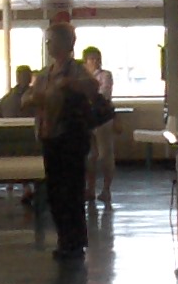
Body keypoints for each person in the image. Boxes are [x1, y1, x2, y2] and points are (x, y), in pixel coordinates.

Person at [28, 24, 97, 259]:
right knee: (56, 192)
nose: (49, 45)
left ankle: (74, 241)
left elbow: (93, 88)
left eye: (52, 41)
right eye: (47, 41)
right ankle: (64, 238)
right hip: (50, 138)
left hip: (71, 138)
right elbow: (29, 97)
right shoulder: (45, 74)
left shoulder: (76, 70)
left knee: (71, 191)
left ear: (67, 44)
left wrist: (70, 84)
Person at [81, 44, 117, 208]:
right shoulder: (81, 77)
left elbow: (103, 94)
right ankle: (90, 189)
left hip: (102, 118)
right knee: (90, 155)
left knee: (105, 154)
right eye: (91, 59)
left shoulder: (105, 75)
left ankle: (106, 189)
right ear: (85, 61)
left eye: (97, 59)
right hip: (87, 118)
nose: (95, 62)